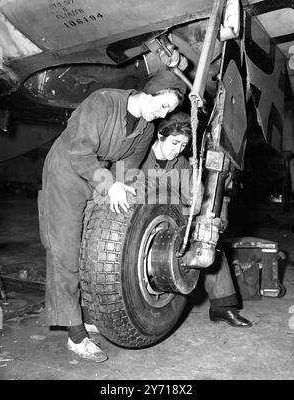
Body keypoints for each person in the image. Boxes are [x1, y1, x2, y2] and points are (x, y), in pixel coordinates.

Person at [38, 69, 187, 363]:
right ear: (149, 92)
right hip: (66, 173)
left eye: (169, 110)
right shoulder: (103, 102)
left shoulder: (145, 129)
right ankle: (76, 335)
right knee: (65, 251)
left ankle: (82, 312)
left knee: (89, 245)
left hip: (100, 177)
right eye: (162, 103)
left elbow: (127, 169)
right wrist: (108, 184)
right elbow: (79, 152)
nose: (162, 113)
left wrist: (128, 195)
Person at [141, 111, 253, 328]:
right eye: (174, 143)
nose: (177, 150)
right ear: (159, 137)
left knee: (208, 243)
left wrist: (195, 176)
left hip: (173, 221)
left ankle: (223, 308)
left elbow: (192, 199)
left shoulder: (181, 163)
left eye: (183, 146)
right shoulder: (141, 157)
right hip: (143, 225)